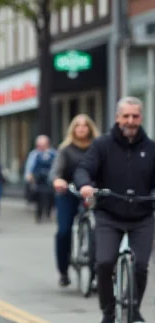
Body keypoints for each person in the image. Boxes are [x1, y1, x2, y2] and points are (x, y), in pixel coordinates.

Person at [74, 97, 155, 323]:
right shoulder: (102, 145)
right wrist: (85, 185)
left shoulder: (150, 148)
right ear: (118, 117)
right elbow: (83, 169)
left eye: (135, 116)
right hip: (109, 214)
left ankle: (133, 309)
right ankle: (109, 311)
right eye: (126, 116)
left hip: (142, 215)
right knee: (104, 262)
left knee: (140, 266)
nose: (130, 121)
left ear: (141, 118)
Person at [50, 114, 100, 287]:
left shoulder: (98, 147)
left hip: (92, 192)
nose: (81, 128)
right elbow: (56, 171)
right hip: (68, 192)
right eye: (77, 125)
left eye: (85, 125)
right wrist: (58, 180)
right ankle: (63, 270)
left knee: (101, 229)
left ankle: (98, 270)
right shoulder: (65, 149)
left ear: (90, 128)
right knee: (64, 231)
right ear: (73, 129)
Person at [25, 135, 57, 222]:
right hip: (39, 180)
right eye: (39, 145)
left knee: (50, 197)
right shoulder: (35, 154)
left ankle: (48, 213)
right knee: (39, 197)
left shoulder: (53, 154)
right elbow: (30, 166)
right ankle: (39, 215)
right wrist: (29, 176)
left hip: (50, 180)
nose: (41, 147)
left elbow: (57, 166)